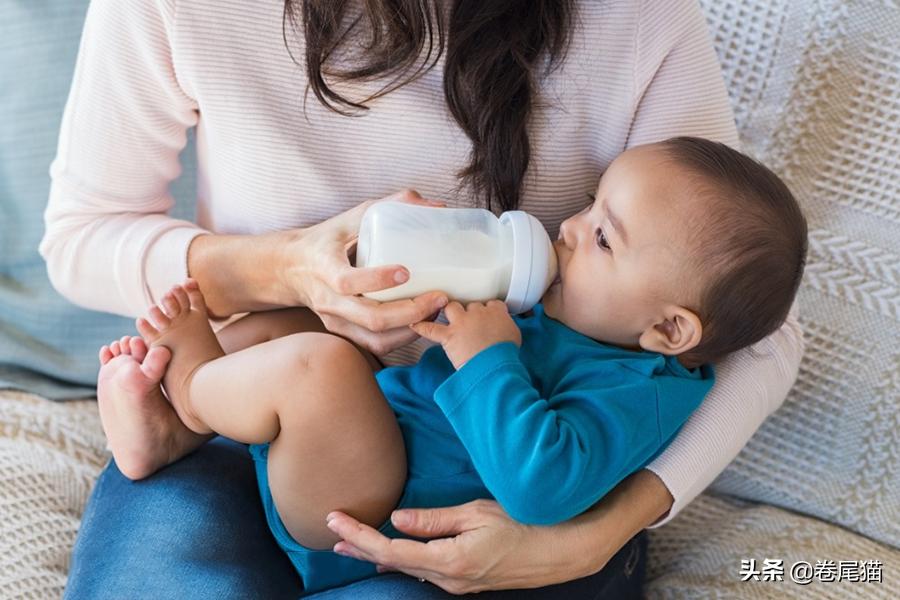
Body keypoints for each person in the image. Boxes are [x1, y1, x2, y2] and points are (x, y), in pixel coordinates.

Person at [40, 1, 805, 598]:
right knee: (286, 336)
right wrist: (284, 267)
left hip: (439, 503)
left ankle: (191, 394)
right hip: (284, 429)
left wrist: (596, 535)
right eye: (587, 207)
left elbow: (749, 329)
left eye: (601, 232)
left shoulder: (637, 19)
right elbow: (81, 235)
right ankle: (182, 412)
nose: (568, 230)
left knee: (315, 374)